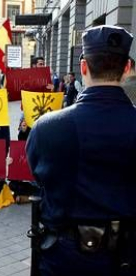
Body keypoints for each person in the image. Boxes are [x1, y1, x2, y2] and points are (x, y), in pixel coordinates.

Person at [26, 25, 135, 276]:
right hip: (127, 257)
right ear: (127, 69)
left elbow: (39, 177)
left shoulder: (47, 128)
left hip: (64, 259)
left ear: (83, 67)